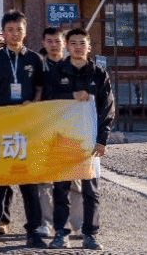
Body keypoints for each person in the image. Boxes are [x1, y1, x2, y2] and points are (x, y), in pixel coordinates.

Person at [0, 12, 47, 249]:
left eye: (19, 29)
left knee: (29, 183)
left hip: (26, 131)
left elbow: (39, 90)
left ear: (25, 31)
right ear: (3, 33)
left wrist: (33, 104)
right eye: (10, 30)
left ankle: (34, 231)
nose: (14, 34)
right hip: (2, 130)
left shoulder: (35, 60)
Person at [48, 29, 114, 251]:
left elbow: (107, 109)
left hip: (89, 140)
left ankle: (90, 234)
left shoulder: (99, 74)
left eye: (82, 43)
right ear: (67, 46)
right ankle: (60, 233)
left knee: (90, 190)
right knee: (61, 189)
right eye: (73, 43)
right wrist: (71, 96)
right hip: (63, 138)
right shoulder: (57, 72)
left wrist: (102, 139)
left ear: (89, 47)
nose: (78, 47)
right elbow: (48, 101)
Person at [38, 25, 67, 238]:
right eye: (49, 41)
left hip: (69, 130)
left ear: (63, 43)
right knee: (44, 179)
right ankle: (45, 223)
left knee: (71, 179)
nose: (54, 45)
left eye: (57, 41)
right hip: (44, 130)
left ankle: (73, 224)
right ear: (43, 43)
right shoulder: (38, 68)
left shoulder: (73, 66)